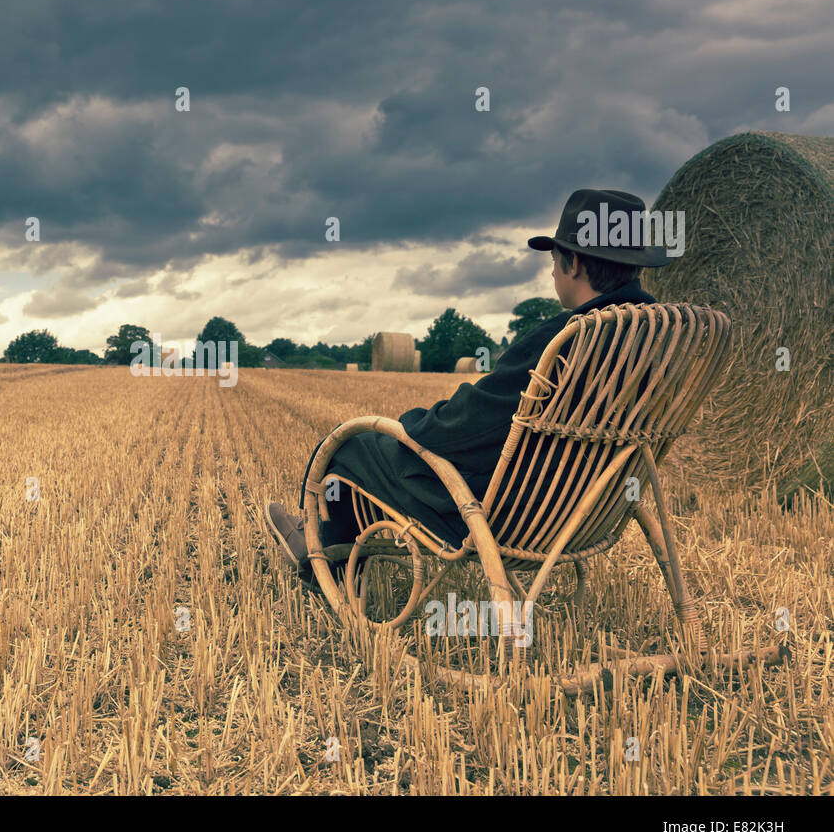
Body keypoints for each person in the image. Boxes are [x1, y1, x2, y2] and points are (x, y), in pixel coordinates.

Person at [265, 188, 675, 585]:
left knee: (352, 447)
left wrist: (411, 428)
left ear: (574, 264)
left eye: (554, 258)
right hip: (586, 512)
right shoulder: (658, 339)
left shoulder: (567, 338)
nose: (551, 270)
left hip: (507, 514)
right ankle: (339, 544)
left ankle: (326, 555)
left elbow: (466, 425)